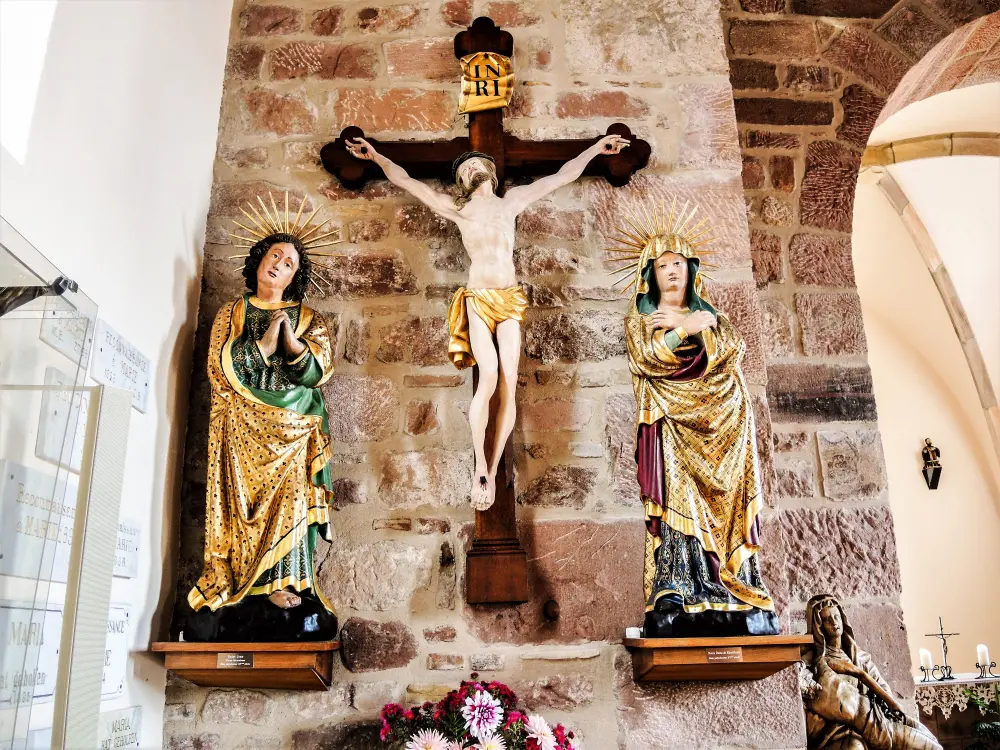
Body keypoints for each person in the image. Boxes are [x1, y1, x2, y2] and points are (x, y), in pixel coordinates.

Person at [346, 134, 629, 510]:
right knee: (490, 376)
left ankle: (492, 469)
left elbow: (561, 176)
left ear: (491, 174)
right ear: (461, 181)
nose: (473, 168)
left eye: (478, 164)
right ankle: (479, 460)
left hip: (509, 299)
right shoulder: (458, 209)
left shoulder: (511, 202)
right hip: (478, 299)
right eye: (465, 169)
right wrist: (377, 156)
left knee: (510, 381)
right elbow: (408, 182)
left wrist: (595, 150)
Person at [616, 201, 779, 637]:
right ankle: (677, 586)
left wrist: (696, 325)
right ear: (650, 273)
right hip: (672, 421)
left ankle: (737, 583)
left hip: (725, 421)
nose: (672, 271)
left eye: (679, 264)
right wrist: (681, 331)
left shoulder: (713, 318)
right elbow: (647, 357)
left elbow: (732, 353)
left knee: (727, 503)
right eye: (663, 265)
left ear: (691, 271)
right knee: (678, 497)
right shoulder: (640, 321)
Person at [185, 194, 340, 642]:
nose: (279, 264)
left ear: (295, 277)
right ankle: (241, 583)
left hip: (292, 427)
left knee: (290, 501)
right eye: (275, 255)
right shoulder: (231, 313)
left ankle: (286, 585)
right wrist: (265, 344)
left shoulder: (307, 318)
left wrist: (290, 344)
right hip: (240, 427)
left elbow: (318, 370)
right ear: (258, 260)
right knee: (237, 508)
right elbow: (219, 369)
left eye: (289, 262)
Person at [801, 594, 942, 750]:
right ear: (818, 626)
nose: (834, 623)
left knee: (930, 746)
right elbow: (814, 703)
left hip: (877, 721)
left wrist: (887, 701)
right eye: (827, 619)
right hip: (839, 730)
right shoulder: (814, 662)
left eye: (836, 616)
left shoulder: (860, 657)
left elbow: (882, 686)